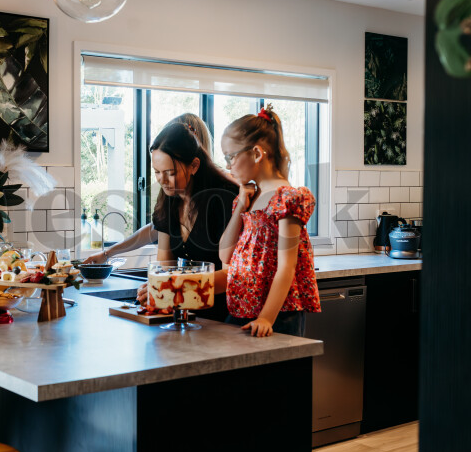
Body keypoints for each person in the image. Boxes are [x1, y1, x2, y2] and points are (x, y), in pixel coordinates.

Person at [218, 107, 321, 337]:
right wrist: (239, 209)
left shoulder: (287, 198)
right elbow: (225, 255)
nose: (228, 165)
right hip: (244, 308)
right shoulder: (248, 199)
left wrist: (266, 318)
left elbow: (287, 266)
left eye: (230, 156)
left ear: (256, 153)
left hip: (278, 315)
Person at [135, 122, 239, 321]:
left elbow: (229, 275)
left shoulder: (224, 199)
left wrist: (173, 284)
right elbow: (164, 264)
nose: (162, 180)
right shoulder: (167, 199)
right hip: (185, 313)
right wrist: (157, 288)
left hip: (223, 318)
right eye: (157, 171)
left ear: (194, 166)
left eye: (170, 173)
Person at [82, 113, 217, 265]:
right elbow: (158, 228)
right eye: (158, 172)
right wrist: (108, 253)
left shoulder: (218, 197)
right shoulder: (172, 194)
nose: (163, 179)